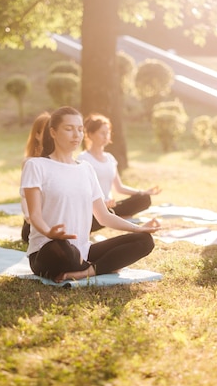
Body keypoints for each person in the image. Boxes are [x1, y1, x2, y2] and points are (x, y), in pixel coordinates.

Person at [20, 106, 161, 283]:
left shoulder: (86, 169)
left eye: (79, 129)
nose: (76, 135)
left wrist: (137, 228)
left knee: (144, 241)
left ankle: (87, 271)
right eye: (69, 129)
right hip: (48, 249)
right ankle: (104, 265)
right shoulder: (36, 166)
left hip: (83, 250)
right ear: (53, 132)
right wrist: (50, 232)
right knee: (62, 248)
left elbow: (104, 217)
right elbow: (34, 215)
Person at [78, 113, 161, 232]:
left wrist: (143, 192)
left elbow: (119, 187)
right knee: (108, 212)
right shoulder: (83, 159)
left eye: (108, 132)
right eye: (102, 133)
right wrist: (102, 204)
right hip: (95, 209)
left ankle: (116, 216)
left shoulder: (110, 158)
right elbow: (82, 192)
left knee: (144, 198)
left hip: (111, 206)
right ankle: (116, 217)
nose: (106, 136)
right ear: (90, 134)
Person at [21, 112, 51, 243]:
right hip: (34, 226)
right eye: (47, 132)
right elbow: (24, 195)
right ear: (37, 135)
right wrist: (29, 216)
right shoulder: (30, 163)